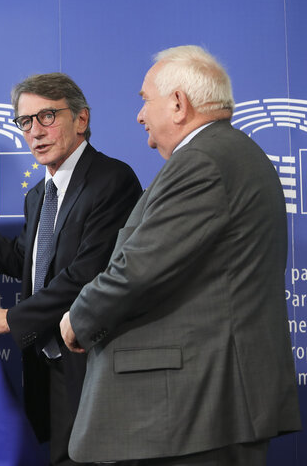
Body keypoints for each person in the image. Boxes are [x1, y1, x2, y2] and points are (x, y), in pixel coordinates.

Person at [60, 45, 302, 465]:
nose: (139, 116)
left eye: (144, 100)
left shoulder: (203, 161)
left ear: (177, 103)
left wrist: (77, 319)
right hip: (203, 407)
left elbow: (139, 269)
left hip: (195, 410)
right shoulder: (229, 153)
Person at [0, 73, 142, 465]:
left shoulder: (112, 180)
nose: (35, 131)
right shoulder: (39, 195)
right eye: (25, 121)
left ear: (81, 119)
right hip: (49, 365)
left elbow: (88, 275)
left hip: (91, 361)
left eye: (47, 116)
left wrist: (13, 317)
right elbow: (24, 260)